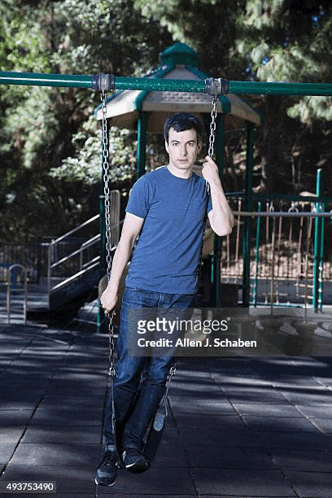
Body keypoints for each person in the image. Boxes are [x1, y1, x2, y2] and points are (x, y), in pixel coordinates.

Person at [95, 112, 234, 487]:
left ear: (198, 145)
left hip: (179, 295)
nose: (183, 151)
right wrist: (112, 287)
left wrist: (216, 180)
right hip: (141, 289)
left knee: (157, 374)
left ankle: (133, 445)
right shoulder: (148, 185)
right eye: (176, 143)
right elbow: (125, 241)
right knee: (128, 372)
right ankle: (110, 448)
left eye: (190, 143)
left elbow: (222, 227)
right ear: (166, 145)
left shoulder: (205, 188)